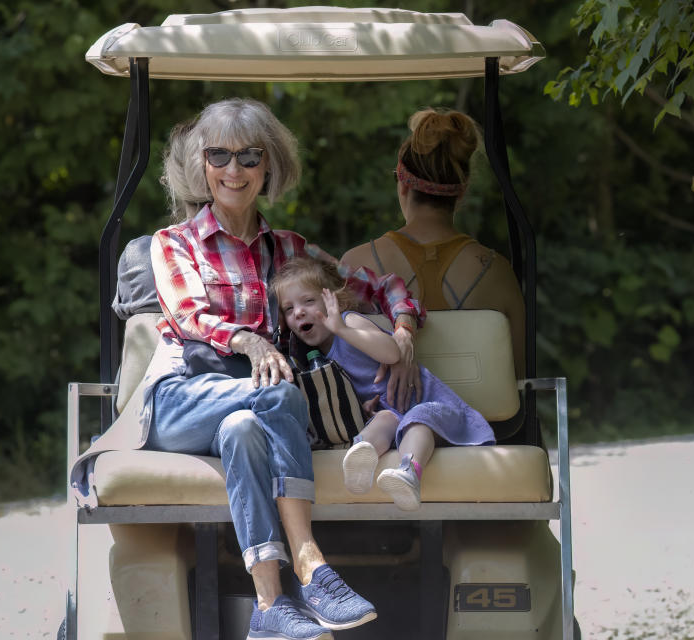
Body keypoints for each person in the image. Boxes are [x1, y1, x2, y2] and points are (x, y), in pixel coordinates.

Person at [146, 98, 425, 640]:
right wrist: (250, 341)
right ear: (200, 165)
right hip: (181, 399)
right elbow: (188, 316)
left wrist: (405, 333)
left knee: (246, 427)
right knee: (279, 394)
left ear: (268, 166)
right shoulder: (173, 244)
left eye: (249, 156)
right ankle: (311, 564)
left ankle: (270, 605)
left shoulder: (291, 250)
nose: (233, 169)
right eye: (219, 155)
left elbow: (384, 286)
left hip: (249, 405)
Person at [271, 257, 495, 511]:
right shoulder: (316, 361)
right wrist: (363, 407)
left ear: (335, 301)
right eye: (289, 309)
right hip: (395, 417)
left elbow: (391, 354)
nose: (298, 311)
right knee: (385, 418)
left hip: (432, 409)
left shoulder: (350, 322)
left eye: (308, 301)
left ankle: (409, 473)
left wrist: (342, 330)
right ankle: (360, 456)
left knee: (417, 418)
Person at [341, 107, 525, 379]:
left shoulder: (356, 264)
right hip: (487, 421)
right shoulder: (498, 272)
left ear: (403, 185)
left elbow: (342, 369)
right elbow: (521, 377)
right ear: (461, 192)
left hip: (387, 420)